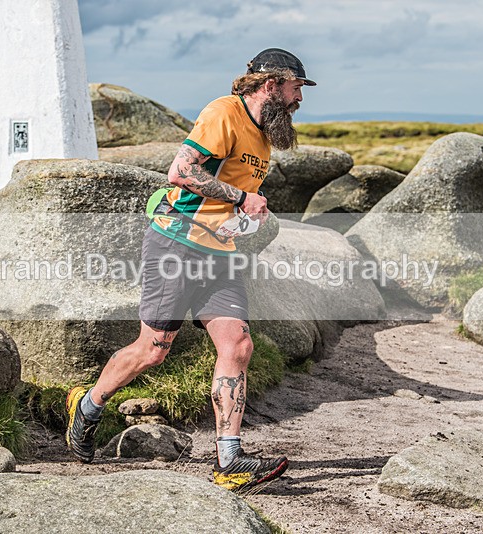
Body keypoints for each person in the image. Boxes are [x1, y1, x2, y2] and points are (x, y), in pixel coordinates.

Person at [66, 48, 315, 492]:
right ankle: (87, 406)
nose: (300, 98)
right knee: (153, 350)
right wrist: (242, 200)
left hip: (218, 252)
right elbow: (179, 173)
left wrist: (241, 218)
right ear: (271, 84)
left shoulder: (262, 136)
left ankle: (229, 458)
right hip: (175, 243)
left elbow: (225, 193)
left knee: (238, 343)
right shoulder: (224, 112)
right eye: (297, 88)